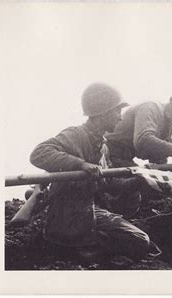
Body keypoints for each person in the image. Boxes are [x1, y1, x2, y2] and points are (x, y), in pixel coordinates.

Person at [29, 83, 150, 261]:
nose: (120, 118)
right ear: (104, 112)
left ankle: (84, 249)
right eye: (117, 111)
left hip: (89, 209)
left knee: (140, 240)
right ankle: (78, 251)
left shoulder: (103, 146)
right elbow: (38, 154)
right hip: (68, 214)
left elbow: (109, 185)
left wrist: (141, 180)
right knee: (135, 242)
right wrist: (81, 164)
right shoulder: (75, 134)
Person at [105, 88, 172, 168]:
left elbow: (159, 160)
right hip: (105, 156)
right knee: (140, 183)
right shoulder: (150, 107)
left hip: (122, 160)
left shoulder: (168, 129)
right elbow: (143, 140)